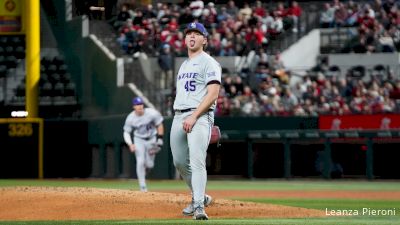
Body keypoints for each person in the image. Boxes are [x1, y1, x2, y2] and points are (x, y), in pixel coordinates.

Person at [170, 22, 221, 220]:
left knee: (197, 161)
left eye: (196, 34)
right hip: (179, 115)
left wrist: (194, 115)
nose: (191, 36)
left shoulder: (209, 62)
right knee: (180, 162)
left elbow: (213, 93)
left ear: (204, 40)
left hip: (199, 115)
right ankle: (201, 196)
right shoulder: (183, 65)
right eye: (189, 33)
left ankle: (199, 206)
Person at [123, 97, 164, 192]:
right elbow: (126, 132)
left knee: (150, 165)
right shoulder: (130, 118)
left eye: (141, 104)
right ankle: (142, 186)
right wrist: (130, 144)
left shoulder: (152, 113)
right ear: (134, 107)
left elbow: (159, 124)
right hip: (139, 139)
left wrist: (160, 139)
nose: (140, 106)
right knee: (140, 161)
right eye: (137, 104)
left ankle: (145, 169)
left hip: (152, 139)